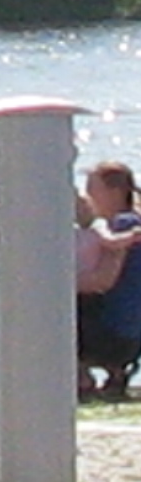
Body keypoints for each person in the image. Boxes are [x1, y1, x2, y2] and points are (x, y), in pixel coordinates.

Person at [80, 163, 141, 392]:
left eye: (92, 189)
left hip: (115, 335)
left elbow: (103, 281)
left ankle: (82, 374)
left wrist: (52, 284)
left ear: (114, 192)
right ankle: (116, 373)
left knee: (67, 304)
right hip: (133, 336)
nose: (88, 197)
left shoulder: (123, 228)